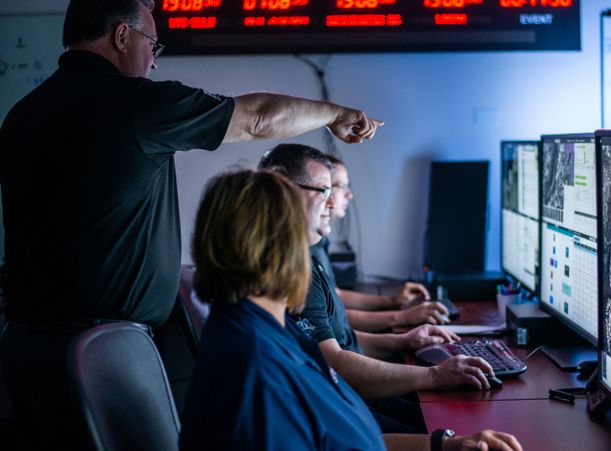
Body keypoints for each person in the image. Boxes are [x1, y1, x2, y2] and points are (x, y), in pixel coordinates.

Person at [0, 1, 381, 449]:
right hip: (102, 349)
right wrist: (336, 115)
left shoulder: (21, 114)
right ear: (122, 37)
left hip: (24, 347)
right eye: (152, 43)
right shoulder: (136, 103)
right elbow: (258, 118)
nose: (155, 58)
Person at [180, 168, 522, 451]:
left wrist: (443, 445)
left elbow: (343, 440)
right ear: (278, 253)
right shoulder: (255, 372)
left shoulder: (268, 328)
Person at [259, 145, 497, 403]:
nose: (334, 200)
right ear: (285, 192)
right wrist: (434, 375)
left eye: (333, 190)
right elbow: (336, 363)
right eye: (324, 190)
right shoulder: (290, 271)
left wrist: (403, 341)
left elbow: (340, 338)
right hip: (346, 403)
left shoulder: (308, 257)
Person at [318, 154, 451, 331]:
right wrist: (402, 316)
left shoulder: (319, 243)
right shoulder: (308, 248)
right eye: (341, 186)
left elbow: (336, 296)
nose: (349, 194)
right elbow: (332, 317)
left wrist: (392, 301)